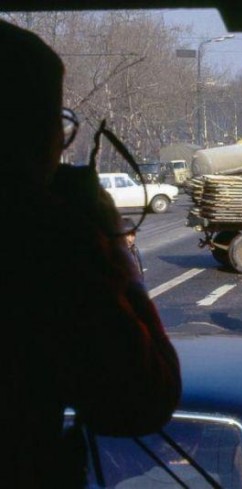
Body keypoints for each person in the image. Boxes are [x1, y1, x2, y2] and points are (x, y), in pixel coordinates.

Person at [0, 20, 181, 487]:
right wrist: (108, 240)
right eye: (56, 125)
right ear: (28, 134)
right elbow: (144, 396)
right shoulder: (46, 242)